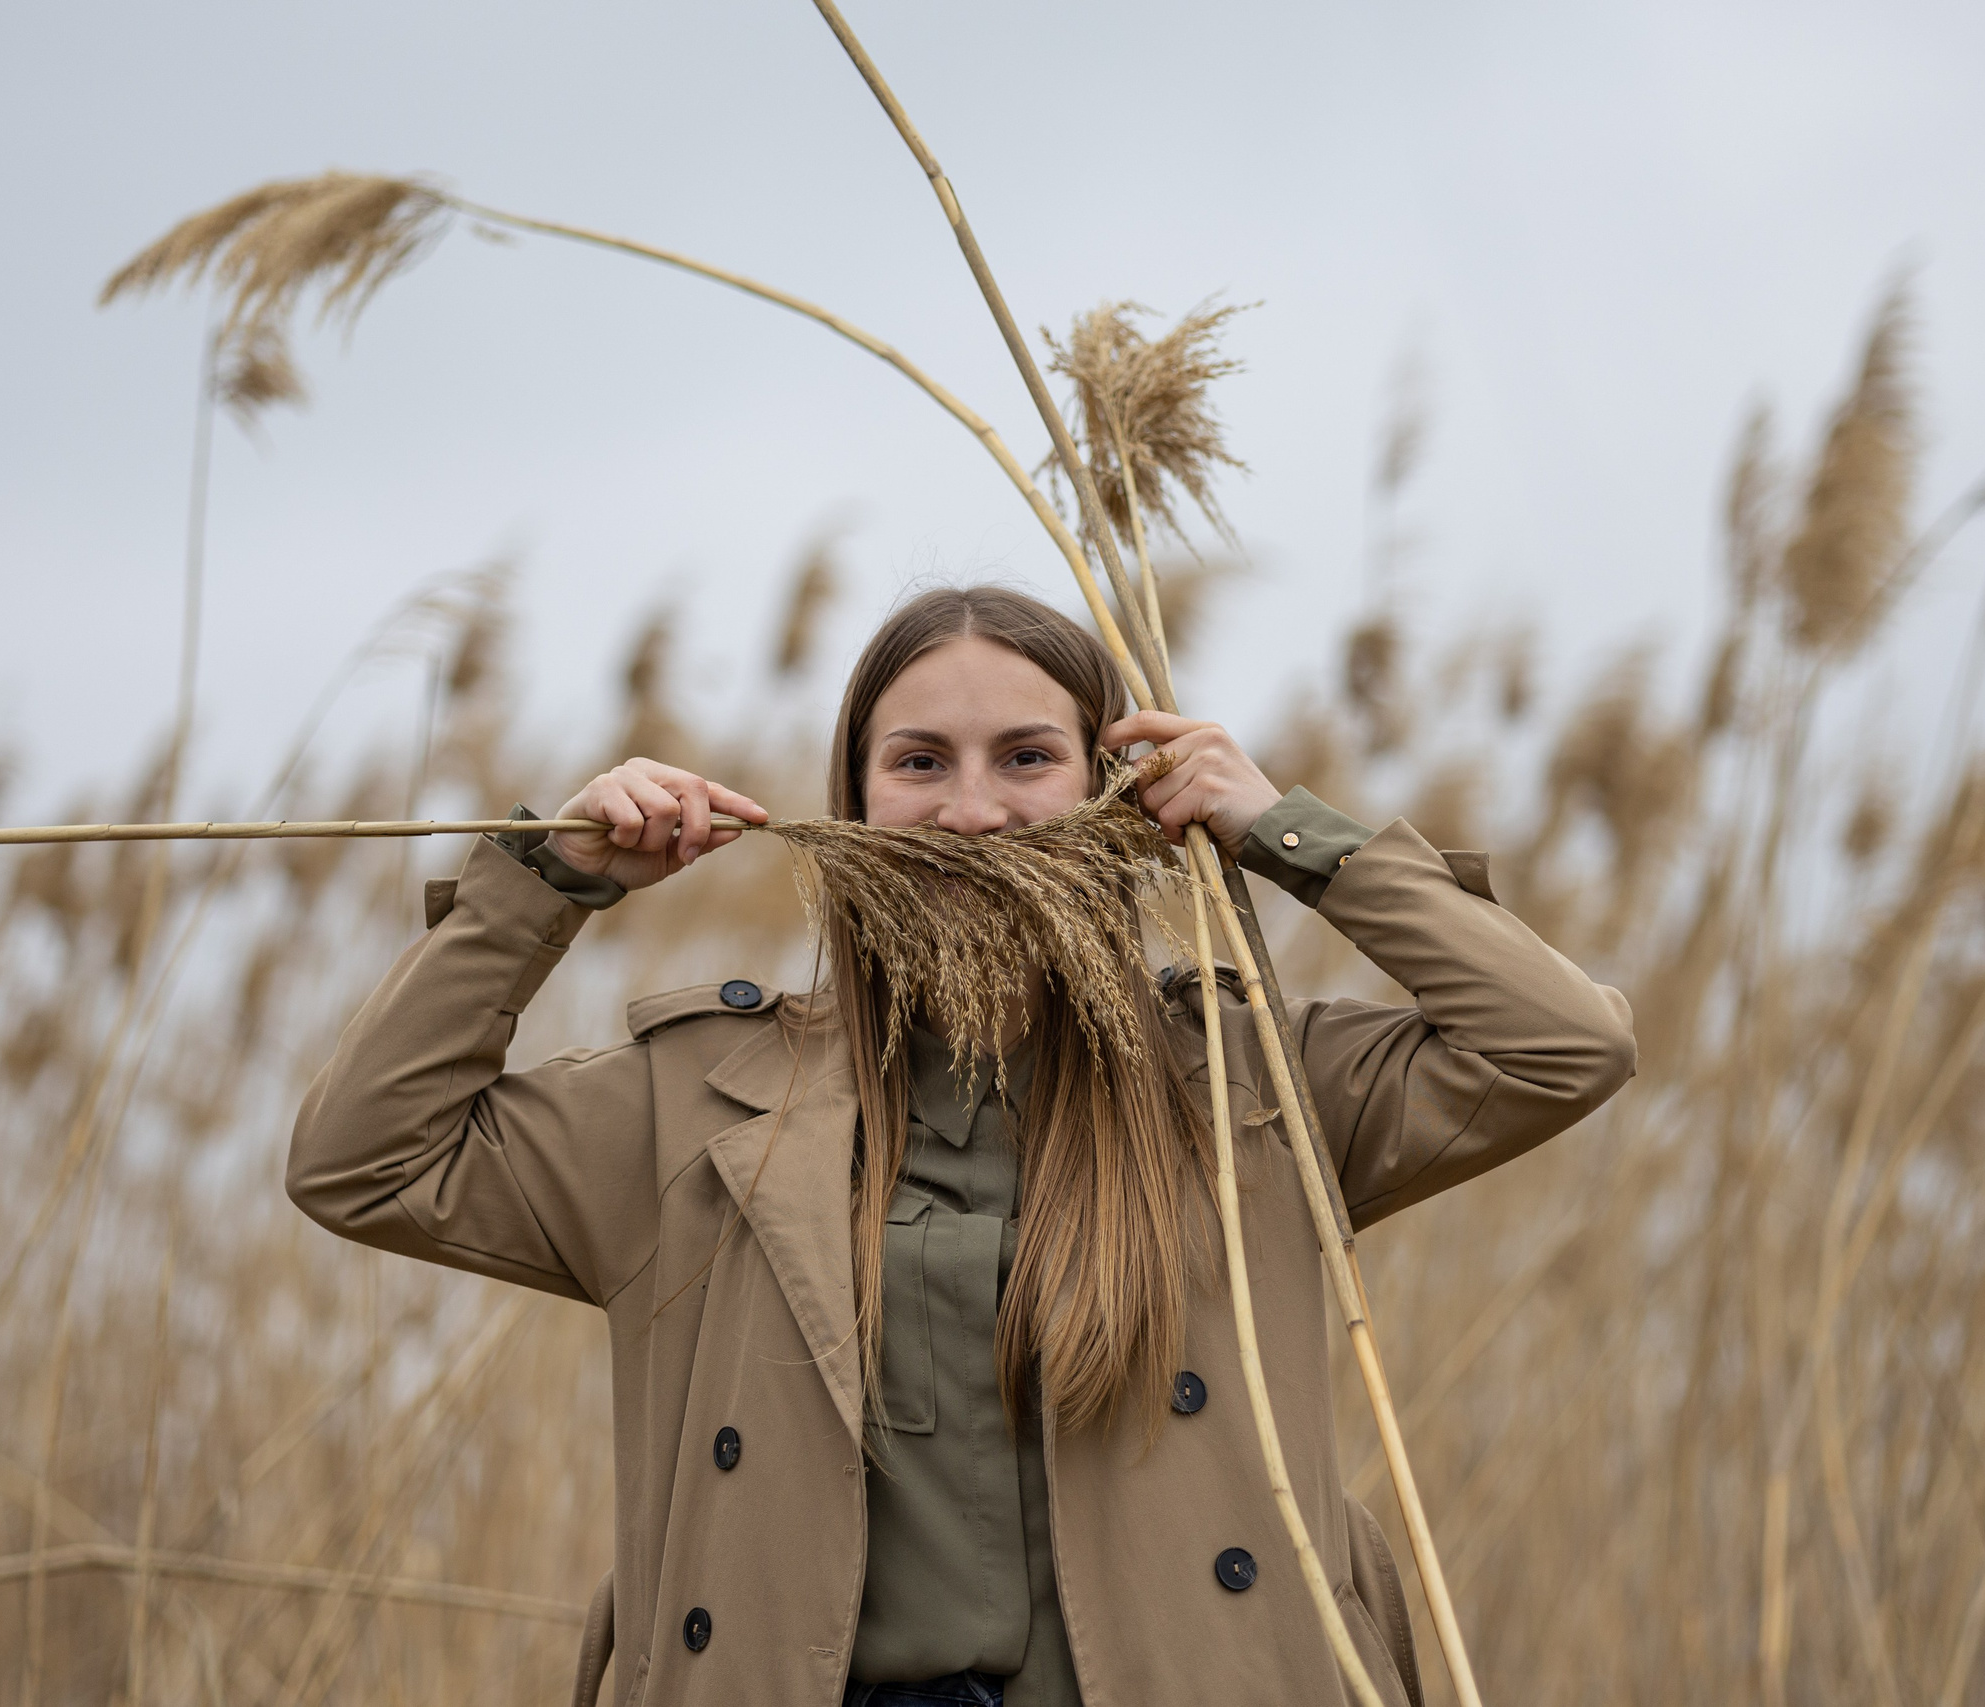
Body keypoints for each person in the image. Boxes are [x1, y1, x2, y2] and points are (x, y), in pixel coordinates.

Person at [288, 584, 1635, 1707]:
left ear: (1122, 788)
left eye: (1028, 759)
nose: (974, 812)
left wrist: (1289, 836)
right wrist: (543, 882)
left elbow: (1561, 1045)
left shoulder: (1252, 1089)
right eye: (920, 762)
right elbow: (366, 1159)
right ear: (857, 798)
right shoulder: (694, 1103)